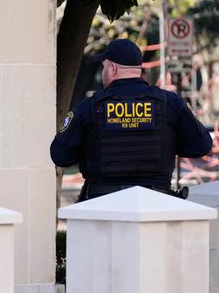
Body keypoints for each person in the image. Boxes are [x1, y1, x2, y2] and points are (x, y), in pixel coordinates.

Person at [50, 38, 213, 201]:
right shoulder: (170, 103)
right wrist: (167, 143)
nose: (103, 71)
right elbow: (201, 146)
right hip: (156, 203)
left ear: (112, 69)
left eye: (104, 67)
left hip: (102, 205)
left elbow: (60, 156)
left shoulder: (89, 107)